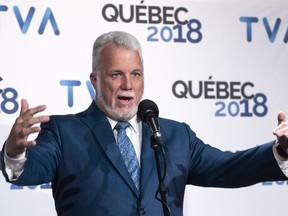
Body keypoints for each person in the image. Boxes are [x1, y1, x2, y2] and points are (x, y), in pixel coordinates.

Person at [1, 31, 288, 216]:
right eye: (116, 74)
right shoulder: (65, 132)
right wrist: (16, 151)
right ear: (95, 81)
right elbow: (29, 170)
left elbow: (229, 168)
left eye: (136, 74)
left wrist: (282, 152)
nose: (128, 85)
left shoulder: (175, 135)